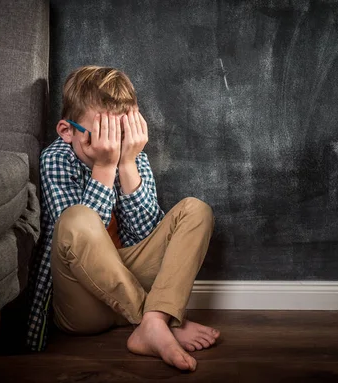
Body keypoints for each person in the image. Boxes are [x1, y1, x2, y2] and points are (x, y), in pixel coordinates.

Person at [27, 65, 219, 371]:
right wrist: (105, 168)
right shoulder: (56, 158)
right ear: (67, 131)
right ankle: (156, 322)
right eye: (102, 135)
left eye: (121, 134)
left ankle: (152, 323)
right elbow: (80, 238)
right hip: (84, 302)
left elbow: (144, 236)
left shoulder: (134, 157)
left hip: (134, 283)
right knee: (77, 219)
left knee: (197, 210)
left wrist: (127, 165)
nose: (113, 146)